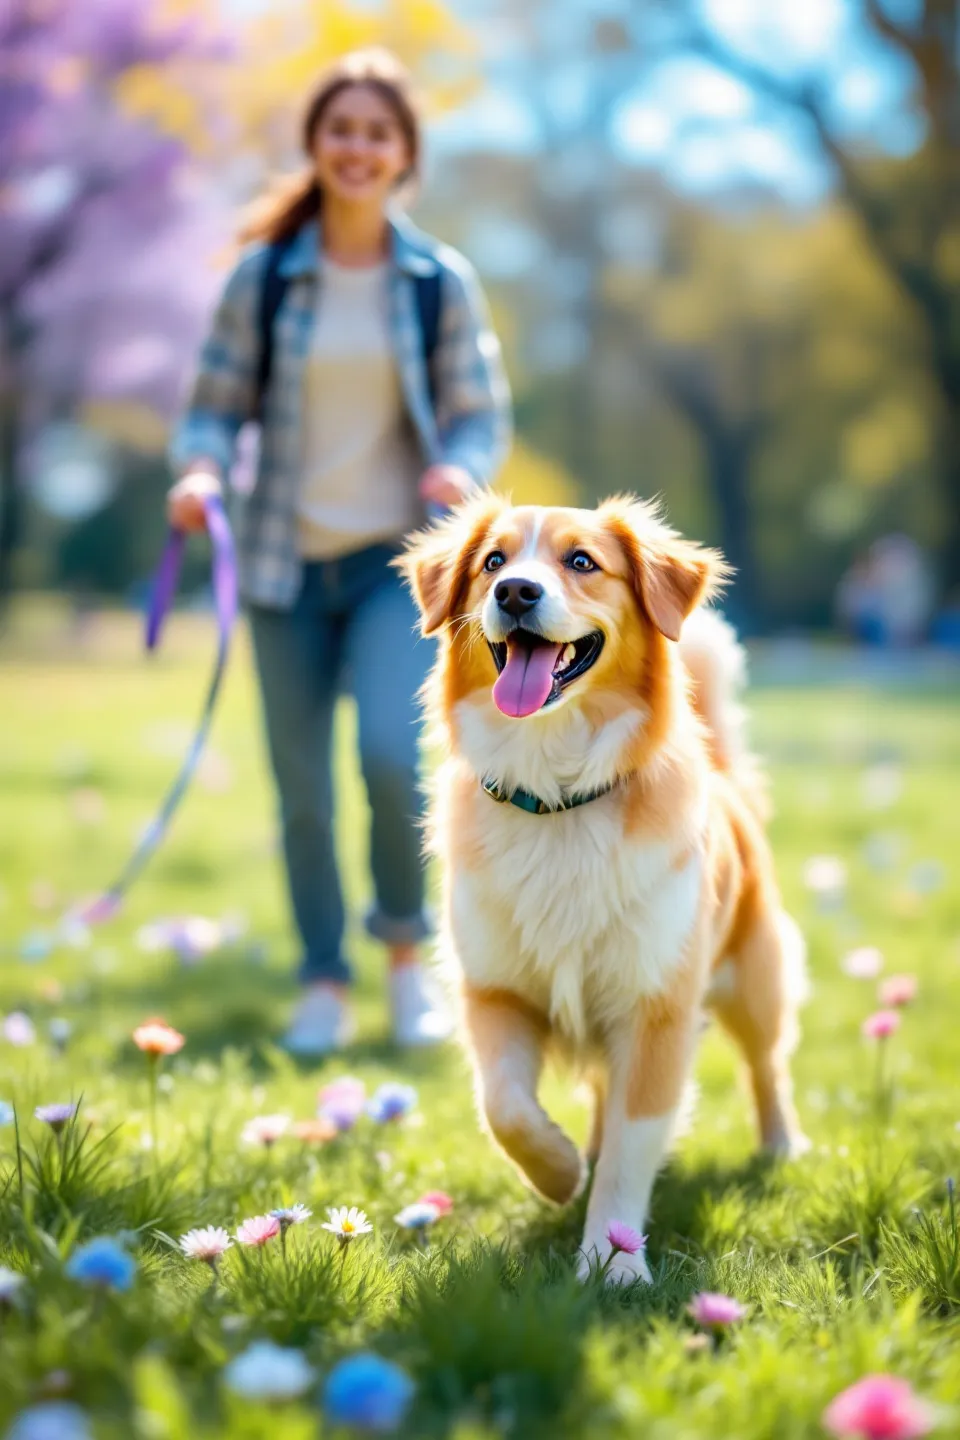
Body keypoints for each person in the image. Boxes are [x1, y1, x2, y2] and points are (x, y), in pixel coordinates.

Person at [167, 48, 512, 1055]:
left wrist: (460, 470)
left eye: (378, 132)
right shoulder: (266, 278)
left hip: (393, 569)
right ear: (315, 145)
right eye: (341, 129)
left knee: (389, 756)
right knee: (301, 789)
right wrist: (196, 473)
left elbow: (479, 413)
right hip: (279, 565)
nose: (357, 148)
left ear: (406, 155)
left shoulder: (436, 283)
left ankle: (405, 962)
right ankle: (323, 978)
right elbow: (211, 408)